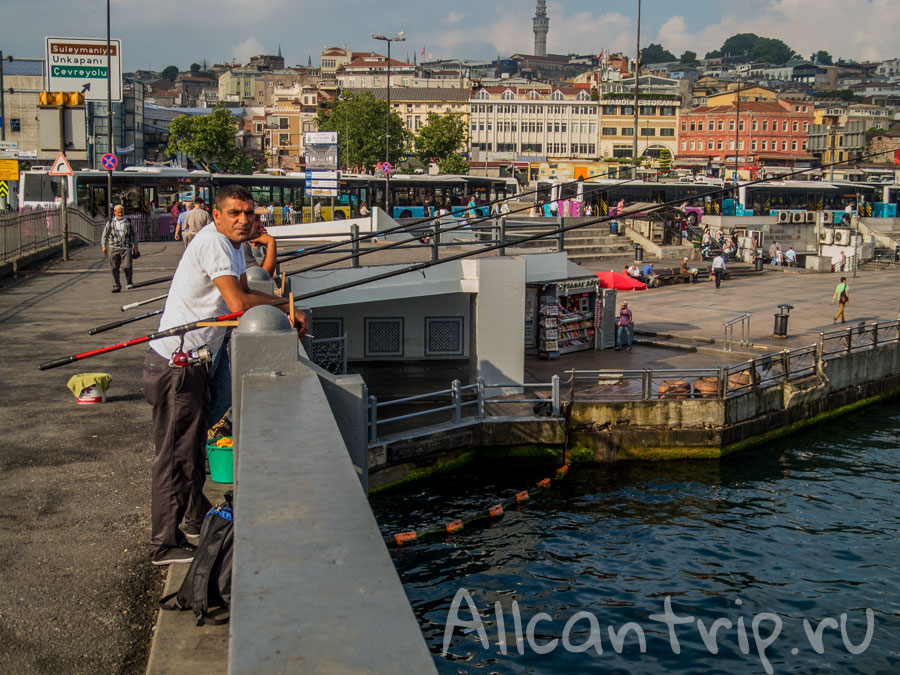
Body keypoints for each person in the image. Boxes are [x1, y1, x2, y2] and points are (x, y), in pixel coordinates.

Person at [142, 184, 308, 566]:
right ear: (216, 215)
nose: (243, 219)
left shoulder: (235, 246)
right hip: (177, 365)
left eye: (249, 213)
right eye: (234, 213)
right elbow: (237, 304)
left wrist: (284, 305)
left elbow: (248, 287)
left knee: (192, 448)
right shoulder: (214, 243)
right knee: (175, 457)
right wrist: (287, 308)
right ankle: (163, 543)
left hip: (197, 361)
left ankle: (197, 518)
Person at [101, 204, 139, 293]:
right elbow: (104, 234)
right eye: (118, 212)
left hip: (126, 247)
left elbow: (135, 234)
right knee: (114, 267)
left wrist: (135, 246)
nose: (120, 214)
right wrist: (103, 245)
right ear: (114, 212)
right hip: (113, 247)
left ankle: (129, 281)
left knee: (127, 266)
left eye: (121, 212)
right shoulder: (110, 222)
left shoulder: (129, 222)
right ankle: (116, 285)